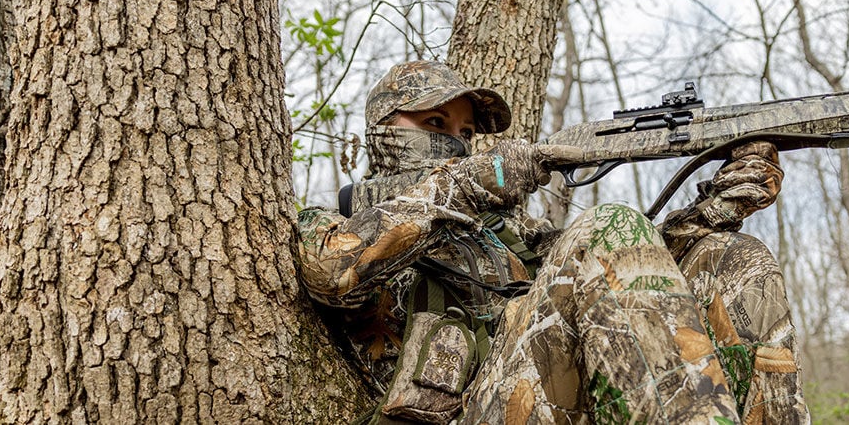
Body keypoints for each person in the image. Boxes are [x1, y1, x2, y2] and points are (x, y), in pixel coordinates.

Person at [296, 60, 809, 423]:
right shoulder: (340, 219)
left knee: (733, 257)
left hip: (550, 395)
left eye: (467, 133)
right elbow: (329, 271)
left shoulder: (506, 232)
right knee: (606, 222)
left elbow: (621, 275)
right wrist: (469, 182)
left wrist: (712, 212)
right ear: (383, 130)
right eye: (435, 122)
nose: (456, 142)